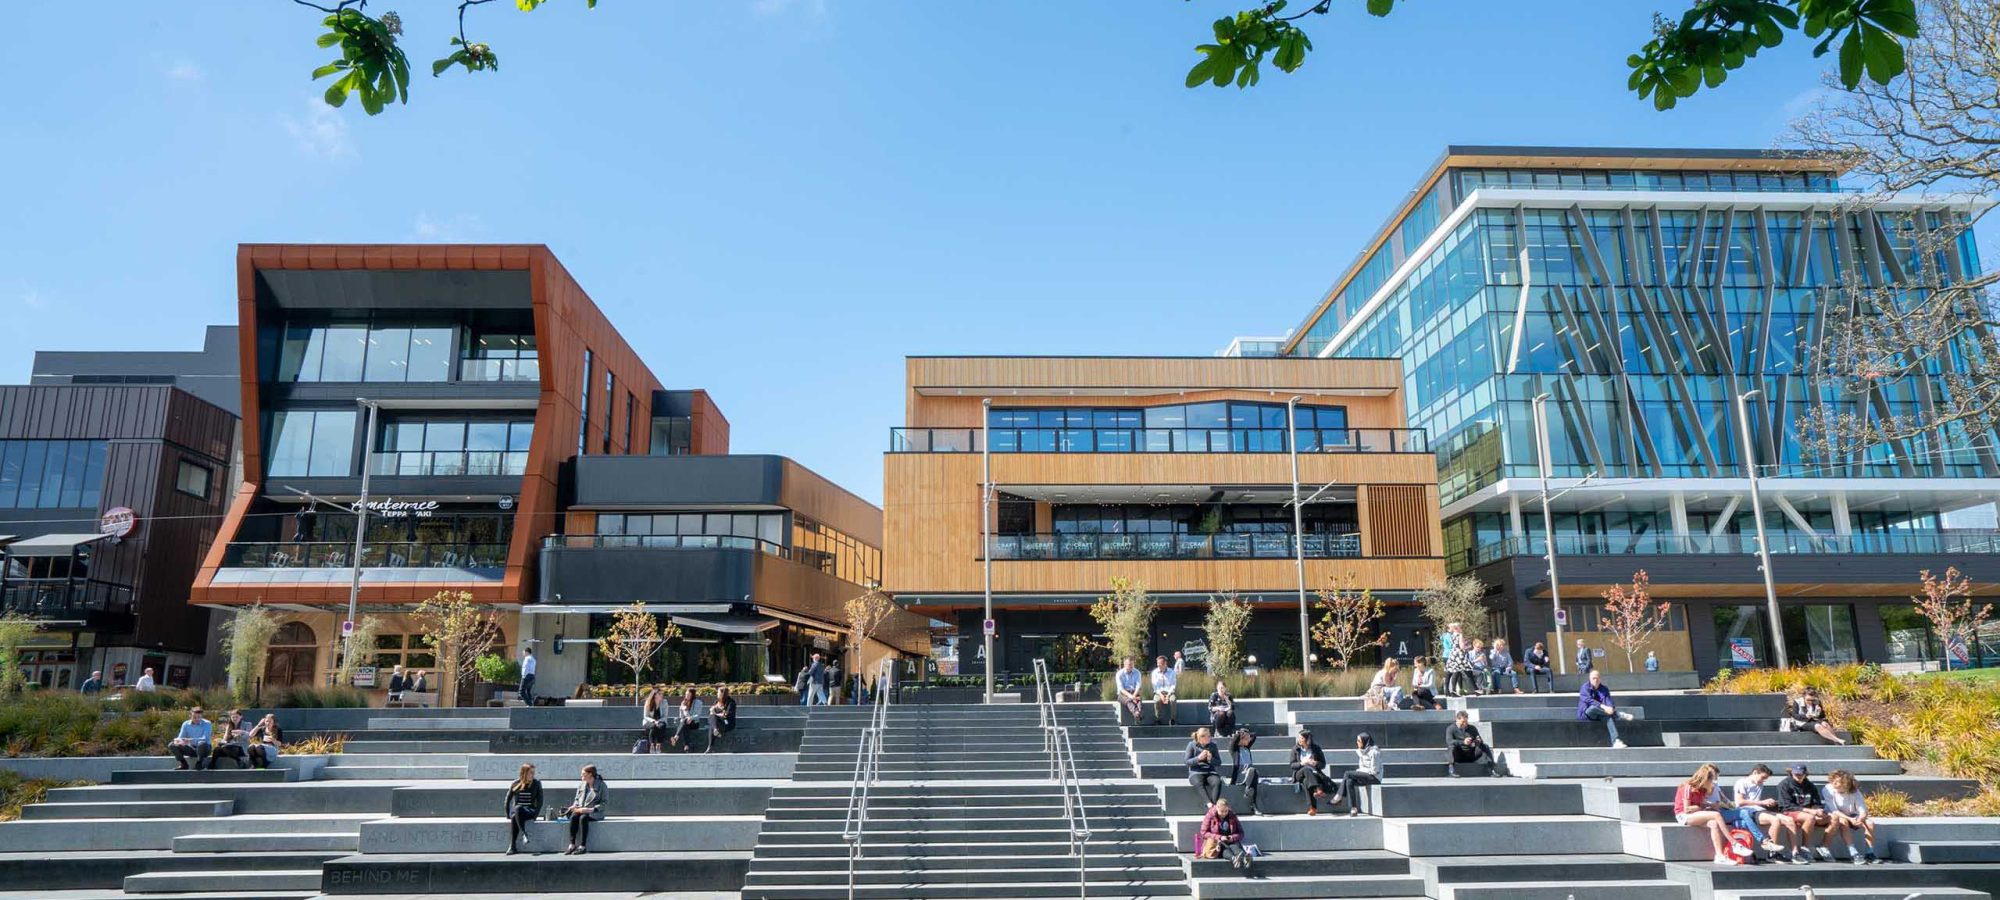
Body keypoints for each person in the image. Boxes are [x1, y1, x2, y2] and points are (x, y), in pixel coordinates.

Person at [1674, 763, 1741, 866]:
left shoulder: (1703, 790)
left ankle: (1719, 856)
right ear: (1704, 780)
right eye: (1710, 781)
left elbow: (1699, 805)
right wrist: (1703, 807)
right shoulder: (1687, 787)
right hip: (1683, 815)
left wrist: (1705, 806)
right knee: (1716, 815)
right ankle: (1734, 843)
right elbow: (1687, 809)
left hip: (1697, 814)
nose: (1712, 784)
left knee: (1713, 823)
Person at [1733, 763, 1799, 862]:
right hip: (1748, 810)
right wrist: (1762, 802)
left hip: (1759, 810)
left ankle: (1795, 853)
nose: (1763, 780)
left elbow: (1757, 802)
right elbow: (1740, 802)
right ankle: (1772, 854)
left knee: (1789, 820)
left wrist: (1768, 804)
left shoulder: (1760, 783)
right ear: (1755, 772)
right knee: (1775, 820)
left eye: (1765, 779)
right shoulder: (1741, 782)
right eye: (1763, 777)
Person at [1776, 764, 1833, 863]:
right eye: (1796, 774)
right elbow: (1786, 806)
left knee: (1834, 818)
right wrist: (1810, 811)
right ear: (1792, 773)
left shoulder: (1810, 785)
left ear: (1805, 774)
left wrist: (1818, 810)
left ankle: (1824, 847)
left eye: (1800, 774)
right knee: (1809, 818)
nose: (1798, 776)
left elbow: (1816, 803)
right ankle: (1805, 849)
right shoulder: (1784, 784)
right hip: (1790, 811)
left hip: (1808, 813)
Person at [1821, 769, 1879, 864]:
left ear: (1845, 783)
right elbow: (1834, 810)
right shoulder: (1827, 789)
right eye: (1833, 780)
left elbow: (1863, 810)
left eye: (1838, 782)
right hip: (1836, 814)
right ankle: (1853, 853)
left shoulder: (1855, 791)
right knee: (1843, 821)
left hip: (1853, 814)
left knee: (1870, 823)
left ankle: (1870, 852)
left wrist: (1860, 819)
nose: (1834, 783)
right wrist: (1850, 819)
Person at [1576, 668, 1634, 749]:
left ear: (1600, 678)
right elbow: (1588, 700)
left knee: (1608, 717)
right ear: (1590, 678)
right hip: (1587, 714)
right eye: (1593, 678)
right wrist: (1604, 707)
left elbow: (1609, 700)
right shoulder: (1585, 687)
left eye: (1597, 678)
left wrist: (1611, 708)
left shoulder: (1604, 689)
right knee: (1593, 708)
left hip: (1601, 714)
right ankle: (1618, 714)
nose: (1595, 680)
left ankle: (1616, 741)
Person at [1332, 732, 1382, 817]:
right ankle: (1353, 808)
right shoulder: (1360, 752)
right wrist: (1360, 771)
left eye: (1359, 741)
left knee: (1347, 773)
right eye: (1357, 740)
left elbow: (1374, 771)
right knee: (1349, 781)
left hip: (1375, 778)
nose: (1357, 742)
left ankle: (1339, 796)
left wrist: (1360, 771)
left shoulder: (1374, 752)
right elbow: (1361, 766)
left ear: (1365, 741)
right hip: (1366, 775)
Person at [562, 764, 607, 855]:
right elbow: (577, 799)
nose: (581, 776)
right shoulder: (582, 785)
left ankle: (582, 846)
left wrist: (590, 809)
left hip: (594, 812)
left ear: (590, 774)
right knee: (574, 816)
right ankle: (572, 844)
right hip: (580, 810)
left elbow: (604, 803)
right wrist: (574, 806)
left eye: (583, 774)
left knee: (583, 818)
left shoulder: (602, 785)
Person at [1288, 729, 1335, 816]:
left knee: (1306, 782)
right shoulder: (1295, 749)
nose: (1299, 740)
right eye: (1299, 738)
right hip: (1300, 773)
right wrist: (1302, 763)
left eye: (1301, 738)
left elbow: (1323, 764)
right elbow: (1292, 765)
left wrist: (1315, 763)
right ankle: (1318, 789)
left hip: (1314, 774)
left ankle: (1312, 808)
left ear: (1307, 739)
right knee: (1306, 769)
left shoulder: (1316, 749)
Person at [1197, 797, 1252, 871]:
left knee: (1234, 846)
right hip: (1217, 842)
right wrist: (1219, 837)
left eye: (1226, 811)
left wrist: (1232, 837)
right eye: (1221, 811)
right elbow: (1203, 832)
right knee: (1224, 849)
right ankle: (1234, 858)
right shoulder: (1210, 815)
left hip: (1230, 840)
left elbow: (1241, 833)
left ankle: (1242, 857)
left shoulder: (1232, 815)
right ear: (1217, 808)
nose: (1224, 814)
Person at [502, 763, 543, 855]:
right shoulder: (515, 783)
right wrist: (507, 814)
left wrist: (535, 815)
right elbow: (507, 800)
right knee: (515, 814)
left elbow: (540, 801)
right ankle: (513, 845)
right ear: (524, 773)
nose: (533, 775)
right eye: (531, 773)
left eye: (533, 773)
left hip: (529, 811)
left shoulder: (536, 783)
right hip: (518, 812)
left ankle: (520, 838)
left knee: (517, 810)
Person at [1445, 710, 1496, 777]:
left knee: (1485, 746)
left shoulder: (1472, 728)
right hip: (1459, 754)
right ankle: (1451, 770)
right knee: (1451, 747)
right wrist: (1463, 742)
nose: (1465, 724)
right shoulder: (1451, 728)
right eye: (1463, 722)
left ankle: (1491, 769)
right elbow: (1449, 741)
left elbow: (1480, 740)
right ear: (1457, 719)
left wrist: (1477, 741)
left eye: (1466, 722)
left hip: (1471, 753)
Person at [1187, 727, 1223, 809]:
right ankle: (1209, 803)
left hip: (1210, 772)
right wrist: (1198, 758)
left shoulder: (1213, 746)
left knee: (1217, 782)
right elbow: (1187, 762)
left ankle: (1212, 806)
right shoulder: (1192, 745)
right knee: (1199, 783)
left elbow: (1219, 762)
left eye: (1210, 736)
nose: (1210, 738)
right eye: (1208, 736)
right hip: (1196, 772)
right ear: (1201, 737)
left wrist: (1211, 759)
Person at [1227, 728, 1261, 815]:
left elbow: (1254, 736)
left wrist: (1247, 733)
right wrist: (1240, 733)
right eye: (1247, 739)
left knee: (1254, 773)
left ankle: (1253, 804)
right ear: (1241, 740)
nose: (1249, 740)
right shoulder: (1234, 750)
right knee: (1253, 771)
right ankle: (1248, 790)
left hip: (1250, 775)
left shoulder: (1247, 748)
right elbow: (1233, 742)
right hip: (1240, 776)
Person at [1441, 624, 1470, 696]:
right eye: (1451, 628)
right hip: (1450, 654)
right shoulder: (1449, 636)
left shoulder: (1446, 635)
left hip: (1448, 654)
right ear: (1448, 629)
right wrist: (1465, 644)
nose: (1452, 629)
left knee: (1452, 673)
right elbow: (1454, 644)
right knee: (1453, 672)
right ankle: (1451, 690)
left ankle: (1450, 690)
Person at [1115, 657, 1145, 724]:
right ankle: (1137, 713)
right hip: (1123, 693)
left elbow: (1138, 686)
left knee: (1138, 701)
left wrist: (1133, 695)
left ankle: (1138, 714)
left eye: (1132, 664)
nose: (1131, 666)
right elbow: (1121, 689)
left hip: (1134, 692)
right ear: (1125, 664)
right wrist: (1130, 696)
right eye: (1129, 664)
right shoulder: (1119, 674)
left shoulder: (1137, 672)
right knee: (1129, 701)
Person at [708, 685, 738, 752]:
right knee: (711, 718)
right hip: (718, 723)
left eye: (718, 692)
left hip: (728, 724)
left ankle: (710, 747)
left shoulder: (731, 702)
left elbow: (727, 715)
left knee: (712, 724)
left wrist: (715, 713)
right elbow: (710, 712)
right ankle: (715, 731)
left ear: (722, 693)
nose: (717, 694)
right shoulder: (716, 702)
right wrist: (712, 711)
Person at [1151, 656, 1179, 726]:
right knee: (1157, 701)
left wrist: (1168, 695)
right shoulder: (1154, 673)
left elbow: (1173, 685)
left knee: (1173, 700)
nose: (1158, 665)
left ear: (1165, 663)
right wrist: (1161, 695)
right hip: (1158, 692)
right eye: (1157, 663)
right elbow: (1155, 686)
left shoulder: (1172, 672)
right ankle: (1158, 719)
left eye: (1160, 663)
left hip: (1169, 692)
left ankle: (1173, 719)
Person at [640, 688, 668, 753]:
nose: (661, 695)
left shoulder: (664, 702)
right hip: (649, 721)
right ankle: (652, 746)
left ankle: (658, 745)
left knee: (662, 726)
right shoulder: (648, 702)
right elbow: (646, 716)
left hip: (660, 721)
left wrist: (658, 721)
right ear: (655, 695)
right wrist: (654, 721)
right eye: (659, 694)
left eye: (662, 694)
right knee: (654, 726)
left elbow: (665, 716)